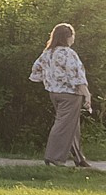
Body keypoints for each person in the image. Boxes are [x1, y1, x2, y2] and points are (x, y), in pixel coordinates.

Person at [30, 24, 93, 167]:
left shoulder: (48, 53)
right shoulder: (68, 53)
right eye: (73, 36)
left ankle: (79, 158)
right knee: (63, 125)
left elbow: (36, 69)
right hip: (70, 95)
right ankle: (54, 157)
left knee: (71, 124)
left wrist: (50, 81)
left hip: (54, 93)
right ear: (68, 37)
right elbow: (77, 76)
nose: (73, 39)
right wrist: (87, 95)